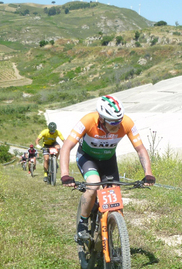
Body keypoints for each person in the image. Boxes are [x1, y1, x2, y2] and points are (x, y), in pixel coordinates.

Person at [59, 95, 155, 242]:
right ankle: (83, 223)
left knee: (116, 203)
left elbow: (140, 149)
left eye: (119, 122)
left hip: (108, 160)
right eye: (112, 123)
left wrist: (148, 173)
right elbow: (66, 146)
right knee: (93, 186)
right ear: (102, 119)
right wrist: (65, 175)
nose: (117, 127)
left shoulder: (127, 123)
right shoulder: (88, 120)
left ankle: (106, 236)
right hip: (87, 158)